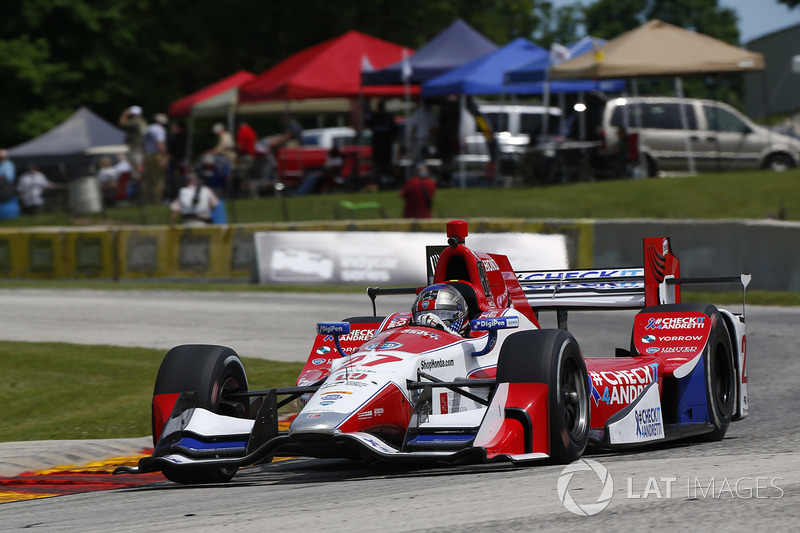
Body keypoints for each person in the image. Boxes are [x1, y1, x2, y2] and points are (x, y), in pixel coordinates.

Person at [368, 100, 397, 188]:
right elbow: (368, 125)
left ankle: (389, 181)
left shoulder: (388, 117)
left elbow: (394, 131)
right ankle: (377, 181)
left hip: (386, 145)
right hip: (377, 145)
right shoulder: (374, 117)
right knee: (378, 164)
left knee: (387, 164)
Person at [143, 113, 168, 204]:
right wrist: (164, 156)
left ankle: (146, 201)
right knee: (159, 179)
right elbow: (160, 143)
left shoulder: (148, 128)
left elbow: (143, 143)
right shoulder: (160, 129)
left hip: (148, 155)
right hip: (157, 155)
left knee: (149, 179)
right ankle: (157, 201)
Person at [118, 106, 147, 179]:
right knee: (137, 165)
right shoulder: (142, 121)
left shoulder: (135, 121)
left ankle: (139, 181)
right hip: (140, 147)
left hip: (136, 147)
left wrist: (124, 114)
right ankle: (140, 181)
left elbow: (122, 122)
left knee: (137, 166)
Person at [235, 120, 258, 198]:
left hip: (244, 157)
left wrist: (233, 148)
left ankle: (240, 195)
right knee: (249, 176)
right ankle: (252, 195)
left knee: (240, 176)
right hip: (252, 156)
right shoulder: (252, 131)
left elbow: (240, 146)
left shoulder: (241, 131)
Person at [166, 121, 188, 201]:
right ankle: (173, 195)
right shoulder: (174, 137)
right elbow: (168, 150)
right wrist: (175, 160)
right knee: (172, 178)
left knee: (184, 178)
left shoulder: (186, 137)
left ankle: (183, 194)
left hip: (183, 160)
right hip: (174, 160)